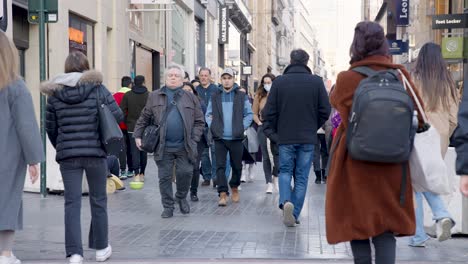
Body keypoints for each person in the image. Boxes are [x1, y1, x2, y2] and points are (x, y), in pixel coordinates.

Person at [325, 21, 424, 264]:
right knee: (385, 229)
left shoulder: (346, 78)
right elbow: (420, 119)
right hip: (392, 163)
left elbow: (335, 102)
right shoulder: (400, 76)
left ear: (355, 46)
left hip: (354, 161)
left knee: (357, 225)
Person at [41, 51, 123, 264]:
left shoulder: (54, 94)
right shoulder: (98, 88)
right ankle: (101, 249)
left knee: (72, 203)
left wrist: (62, 145)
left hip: (68, 156)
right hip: (96, 153)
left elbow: (50, 127)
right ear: (86, 67)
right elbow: (118, 115)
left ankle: (75, 253)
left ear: (66, 67)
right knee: (98, 200)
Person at [263, 49, 331, 227]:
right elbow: (325, 110)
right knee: (301, 177)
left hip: (285, 137)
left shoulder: (279, 83)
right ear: (307, 62)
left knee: (285, 171)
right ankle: (294, 213)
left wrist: (278, 129)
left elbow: (268, 112)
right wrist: (312, 126)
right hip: (307, 138)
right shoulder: (316, 82)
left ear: (291, 61)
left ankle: (286, 201)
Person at [133, 65, 205, 218]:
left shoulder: (190, 97)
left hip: (185, 145)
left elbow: (200, 121)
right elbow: (144, 117)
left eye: (176, 75)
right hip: (163, 146)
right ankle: (168, 206)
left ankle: (180, 197)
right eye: (170, 75)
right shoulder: (154, 96)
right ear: (165, 78)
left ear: (182, 79)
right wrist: (137, 135)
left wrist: (194, 139)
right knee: (164, 177)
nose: (173, 77)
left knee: (185, 173)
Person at [0, 31, 45, 264]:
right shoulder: (15, 86)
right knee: (7, 200)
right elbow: (26, 125)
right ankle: (5, 254)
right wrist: (33, 159)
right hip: (6, 156)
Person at [409, 42, 458, 247]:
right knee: (427, 180)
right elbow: (454, 117)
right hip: (440, 138)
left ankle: (425, 228)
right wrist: (445, 133)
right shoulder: (448, 82)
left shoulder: (414, 79)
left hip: (419, 135)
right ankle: (436, 219)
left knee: (416, 185)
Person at [206, 68, 253, 206]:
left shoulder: (241, 96)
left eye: (229, 78)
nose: (227, 80)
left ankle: (234, 186)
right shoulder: (215, 96)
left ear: (233, 79)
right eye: (224, 78)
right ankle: (222, 193)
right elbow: (208, 114)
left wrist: (241, 127)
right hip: (220, 138)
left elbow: (249, 114)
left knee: (237, 166)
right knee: (220, 166)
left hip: (236, 138)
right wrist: (213, 126)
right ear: (221, 80)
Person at [120, 75, 149, 182]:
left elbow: (121, 111)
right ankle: (142, 173)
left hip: (131, 126)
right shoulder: (148, 95)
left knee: (134, 150)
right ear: (143, 82)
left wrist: (126, 121)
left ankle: (136, 173)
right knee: (143, 151)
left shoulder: (127, 95)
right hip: (145, 127)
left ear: (133, 83)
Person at [182, 82, 207, 202]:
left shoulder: (200, 103)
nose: (187, 92)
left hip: (197, 139)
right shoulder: (175, 104)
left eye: (189, 90)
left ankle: (193, 192)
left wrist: (196, 135)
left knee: (195, 166)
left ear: (194, 91)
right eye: (184, 90)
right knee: (182, 167)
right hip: (181, 139)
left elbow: (203, 121)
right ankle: (181, 192)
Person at [253, 73, 277, 193]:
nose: (267, 85)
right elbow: (254, 113)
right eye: (265, 82)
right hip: (263, 127)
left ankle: (275, 176)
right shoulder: (259, 95)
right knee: (266, 156)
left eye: (269, 82)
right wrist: (259, 123)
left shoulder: (279, 94)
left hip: (276, 128)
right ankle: (269, 182)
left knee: (277, 155)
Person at [196, 67, 219, 187]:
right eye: (202, 75)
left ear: (210, 77)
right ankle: (206, 176)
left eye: (206, 75)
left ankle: (216, 177)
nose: (204, 77)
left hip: (213, 126)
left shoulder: (216, 89)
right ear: (199, 76)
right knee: (203, 153)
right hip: (200, 126)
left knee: (215, 152)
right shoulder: (196, 90)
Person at [113, 76, 134, 180]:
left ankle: (122, 170)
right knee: (130, 147)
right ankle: (131, 169)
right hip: (130, 125)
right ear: (130, 84)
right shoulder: (132, 95)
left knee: (122, 148)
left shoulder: (115, 95)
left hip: (118, 125)